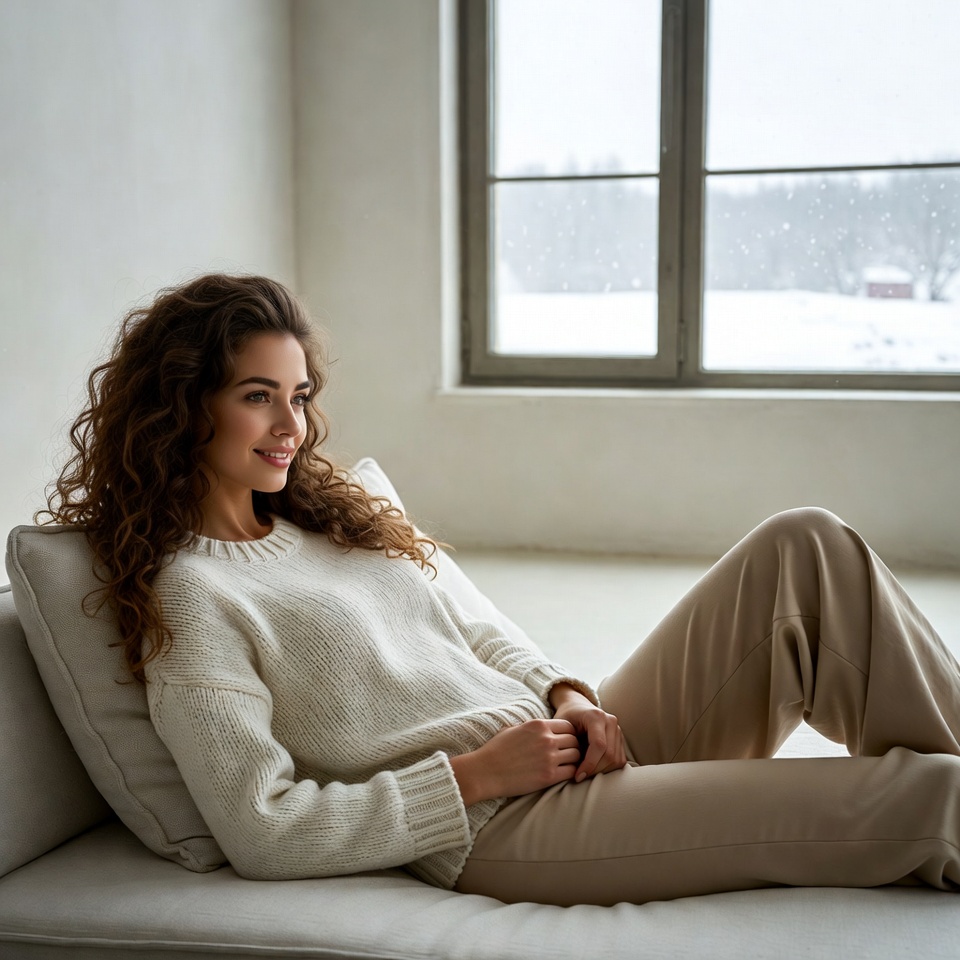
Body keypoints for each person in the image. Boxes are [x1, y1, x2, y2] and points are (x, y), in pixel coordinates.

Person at [43, 272, 960, 906]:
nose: (294, 425)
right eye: (258, 395)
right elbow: (263, 827)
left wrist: (566, 690)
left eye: (301, 393)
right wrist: (474, 778)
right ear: (183, 402)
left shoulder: (323, 519)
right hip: (505, 828)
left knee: (806, 548)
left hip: (567, 747)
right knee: (928, 800)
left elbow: (474, 633)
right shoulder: (191, 597)